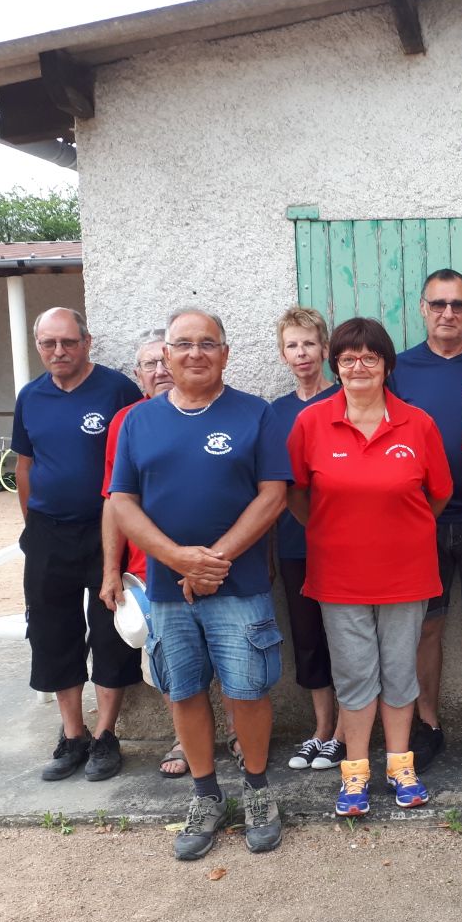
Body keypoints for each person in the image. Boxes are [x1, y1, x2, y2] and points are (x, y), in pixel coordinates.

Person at [110, 308, 292, 859]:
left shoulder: (255, 415)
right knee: (182, 690)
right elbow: (122, 500)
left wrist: (214, 560)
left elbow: (273, 495)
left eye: (207, 343)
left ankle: (258, 792)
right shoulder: (138, 421)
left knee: (247, 689)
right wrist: (175, 560)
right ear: (165, 355)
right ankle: (206, 794)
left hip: (240, 586)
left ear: (225, 353)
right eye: (183, 344)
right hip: (167, 590)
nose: (195, 353)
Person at [286, 317, 452, 817]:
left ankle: (401, 768)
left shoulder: (417, 424)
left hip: (406, 574)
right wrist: (333, 530)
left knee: (401, 674)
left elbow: (438, 495)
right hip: (339, 576)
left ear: (385, 365)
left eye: (369, 357)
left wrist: (398, 528)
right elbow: (295, 494)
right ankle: (354, 773)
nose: (358, 366)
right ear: (335, 366)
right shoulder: (311, 423)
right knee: (355, 677)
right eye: (348, 358)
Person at [11, 307, 142, 782]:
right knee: (52, 630)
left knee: (110, 629)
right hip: (48, 532)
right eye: (49, 344)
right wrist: (32, 526)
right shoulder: (31, 397)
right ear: (39, 346)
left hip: (105, 529)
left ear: (87, 341)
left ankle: (107, 735)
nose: (59, 352)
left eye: (68, 342)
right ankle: (73, 733)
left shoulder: (116, 389)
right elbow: (24, 466)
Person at [389, 269, 462, 774]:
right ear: (422, 308)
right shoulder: (398, 369)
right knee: (423, 628)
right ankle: (428, 724)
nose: (448, 314)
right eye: (438, 304)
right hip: (419, 522)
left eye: (458, 305)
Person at [97, 329, 191, 778]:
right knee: (166, 658)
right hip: (146, 569)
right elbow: (113, 501)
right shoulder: (126, 422)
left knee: (226, 650)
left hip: (210, 561)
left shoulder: (206, 413)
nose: (159, 371)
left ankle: (233, 728)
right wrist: (110, 571)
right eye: (149, 365)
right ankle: (184, 736)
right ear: (138, 376)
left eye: (164, 361)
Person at [270, 306, 345, 771]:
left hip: (344, 543)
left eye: (309, 344)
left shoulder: (346, 400)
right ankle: (321, 728)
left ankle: (343, 733)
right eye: (292, 345)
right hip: (295, 542)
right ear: (284, 354)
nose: (302, 353)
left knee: (346, 637)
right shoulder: (275, 412)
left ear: (325, 348)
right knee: (308, 637)